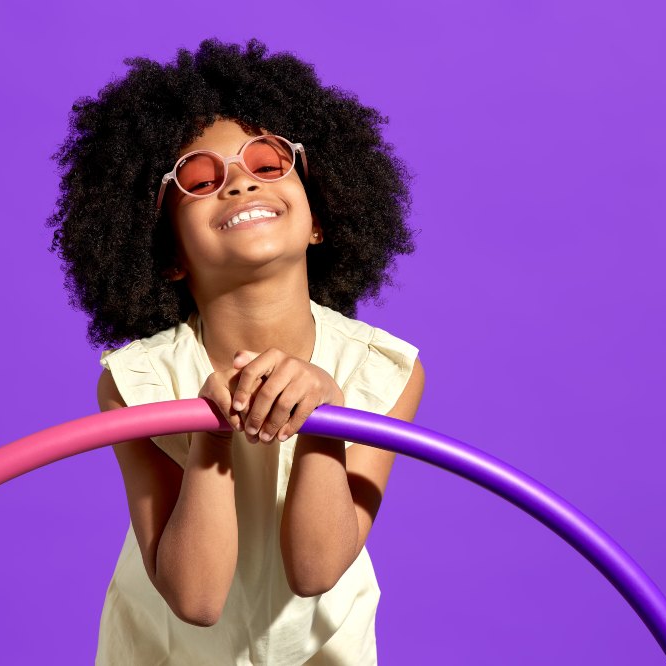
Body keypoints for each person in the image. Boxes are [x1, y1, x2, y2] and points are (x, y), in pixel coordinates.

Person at [47, 37, 426, 665]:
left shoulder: (384, 372)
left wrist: (327, 414)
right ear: (167, 253)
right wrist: (211, 439)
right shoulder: (137, 384)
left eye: (269, 163)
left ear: (319, 217)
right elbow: (195, 599)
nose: (239, 182)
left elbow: (314, 569)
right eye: (198, 178)